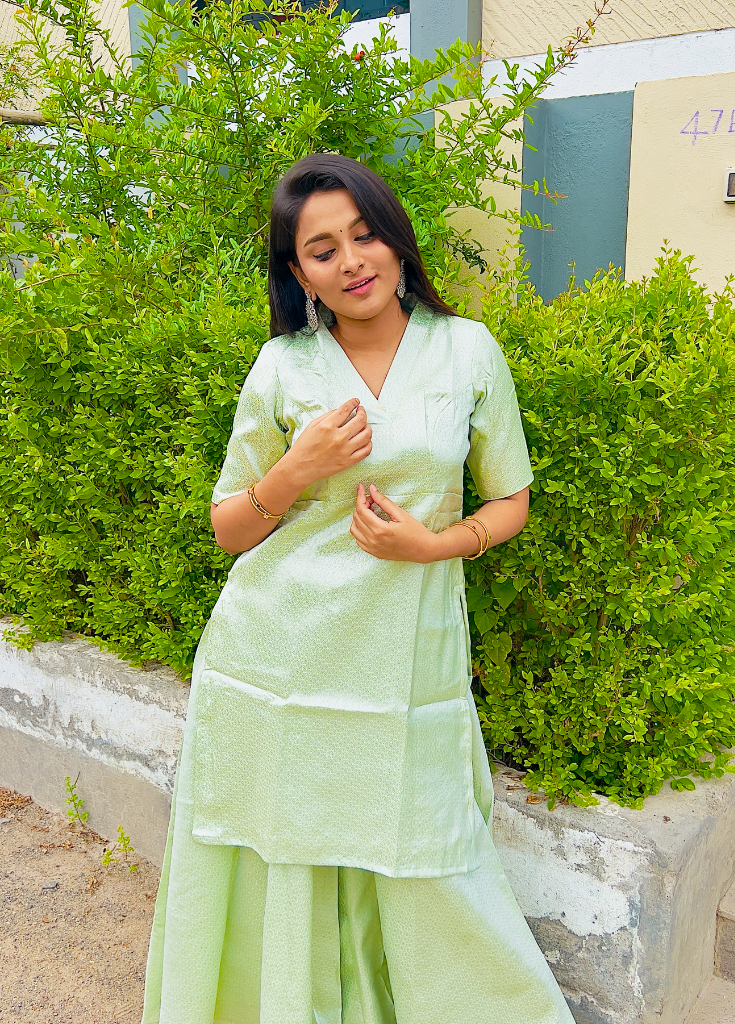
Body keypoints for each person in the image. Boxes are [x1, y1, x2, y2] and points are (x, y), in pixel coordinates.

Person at [141, 153, 575, 1024]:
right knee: (282, 843)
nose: (351, 261)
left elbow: (511, 498)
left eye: (364, 235)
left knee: (426, 847)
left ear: (396, 240)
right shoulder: (283, 366)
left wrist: (433, 545)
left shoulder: (465, 351)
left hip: (405, 657)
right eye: (322, 249)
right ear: (298, 273)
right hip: (277, 657)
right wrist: (295, 470)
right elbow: (230, 527)